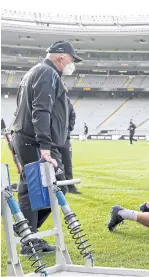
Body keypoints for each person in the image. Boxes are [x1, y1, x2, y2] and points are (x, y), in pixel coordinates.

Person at [11, 40, 83, 255]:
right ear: (61, 57)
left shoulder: (35, 72)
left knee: (36, 188)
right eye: (72, 59)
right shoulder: (47, 73)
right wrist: (44, 146)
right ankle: (28, 236)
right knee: (51, 186)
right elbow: (41, 110)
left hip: (29, 139)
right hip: (35, 142)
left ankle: (28, 235)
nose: (72, 64)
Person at [60, 98, 80, 194]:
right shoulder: (48, 98)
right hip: (51, 139)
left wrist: (69, 128)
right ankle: (57, 186)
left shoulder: (66, 101)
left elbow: (72, 115)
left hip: (65, 138)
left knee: (67, 163)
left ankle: (70, 186)